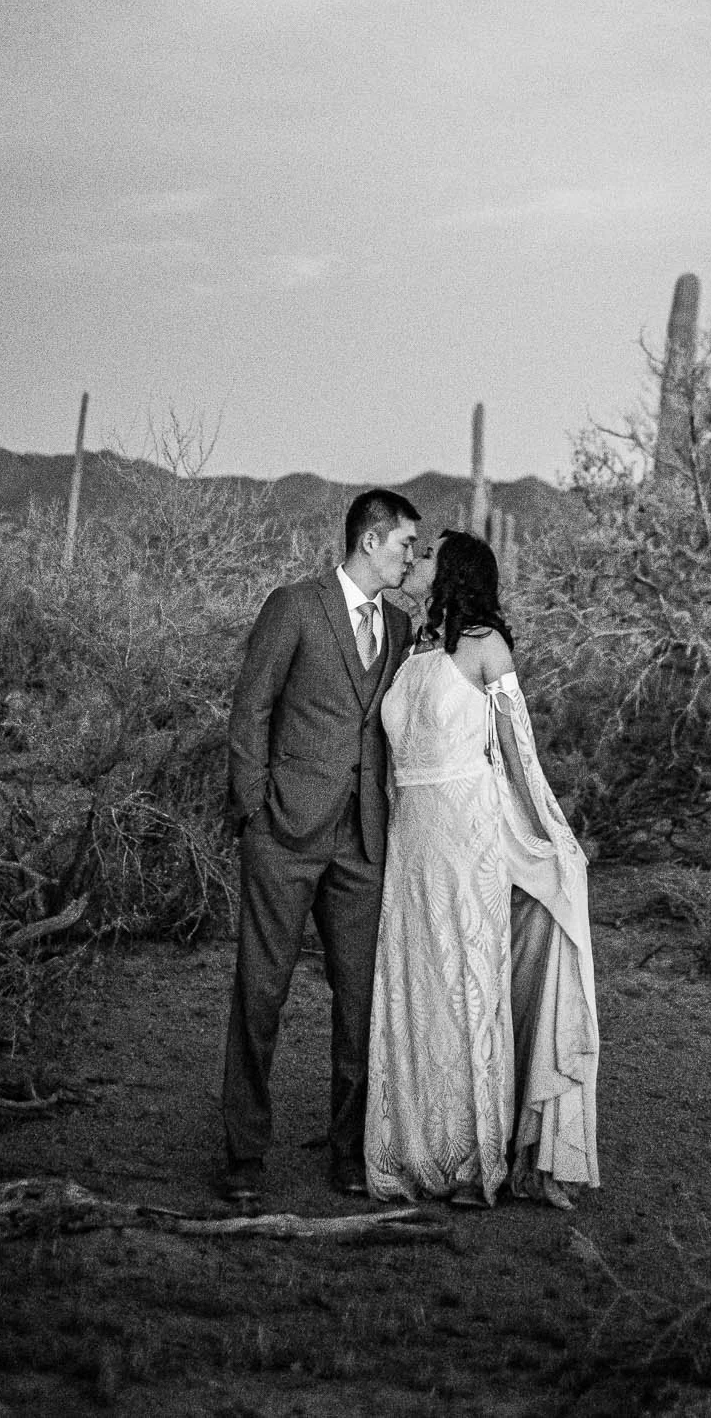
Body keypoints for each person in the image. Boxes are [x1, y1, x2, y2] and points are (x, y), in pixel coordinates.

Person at [365, 530, 599, 1209]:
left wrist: (552, 837)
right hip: (411, 840)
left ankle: (475, 1161)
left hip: (468, 838)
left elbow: (515, 751)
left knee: (468, 985)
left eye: (427, 554)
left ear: (455, 571)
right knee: (414, 988)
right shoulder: (412, 649)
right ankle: (410, 1150)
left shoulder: (486, 646)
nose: (414, 561)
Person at [220, 486, 419, 1207]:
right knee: (261, 993)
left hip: (362, 840)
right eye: (405, 545)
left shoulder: (398, 628)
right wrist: (255, 809)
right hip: (285, 832)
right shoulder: (295, 606)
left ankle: (350, 1153)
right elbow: (252, 707)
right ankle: (243, 1157)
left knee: (361, 1002)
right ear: (370, 540)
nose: (411, 560)